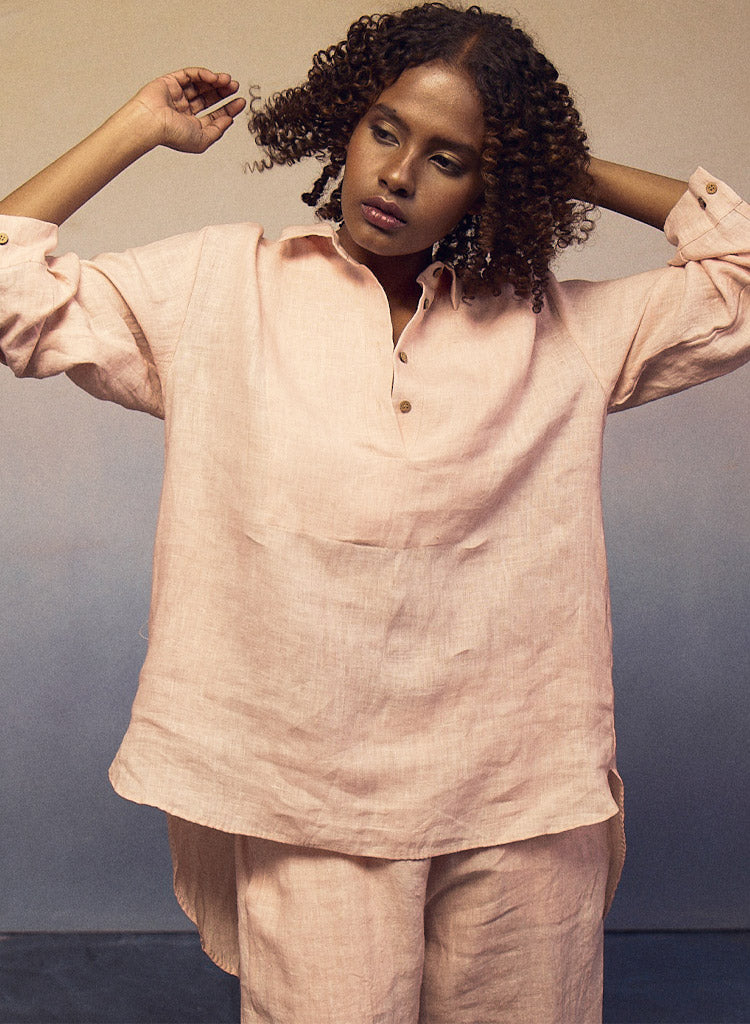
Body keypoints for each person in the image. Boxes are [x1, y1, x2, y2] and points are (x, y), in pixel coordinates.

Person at [1, 3, 748, 1022]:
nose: (397, 174)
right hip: (307, 796)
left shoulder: (558, 326)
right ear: (343, 125)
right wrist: (137, 126)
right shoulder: (222, 290)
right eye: (385, 130)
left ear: (493, 181)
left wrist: (553, 165)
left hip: (520, 793)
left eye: (450, 158)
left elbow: (738, 273)